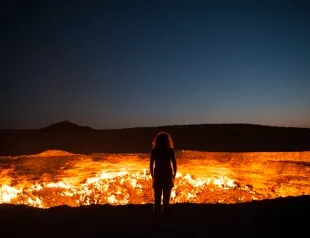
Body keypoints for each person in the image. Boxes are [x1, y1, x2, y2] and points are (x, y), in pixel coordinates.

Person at [149, 131, 177, 222]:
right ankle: (166, 221)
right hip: (168, 176)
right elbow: (174, 165)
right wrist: (174, 176)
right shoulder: (170, 150)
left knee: (157, 202)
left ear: (157, 140)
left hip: (158, 176)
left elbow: (151, 165)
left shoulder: (154, 151)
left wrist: (153, 175)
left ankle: (155, 221)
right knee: (166, 203)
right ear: (167, 140)